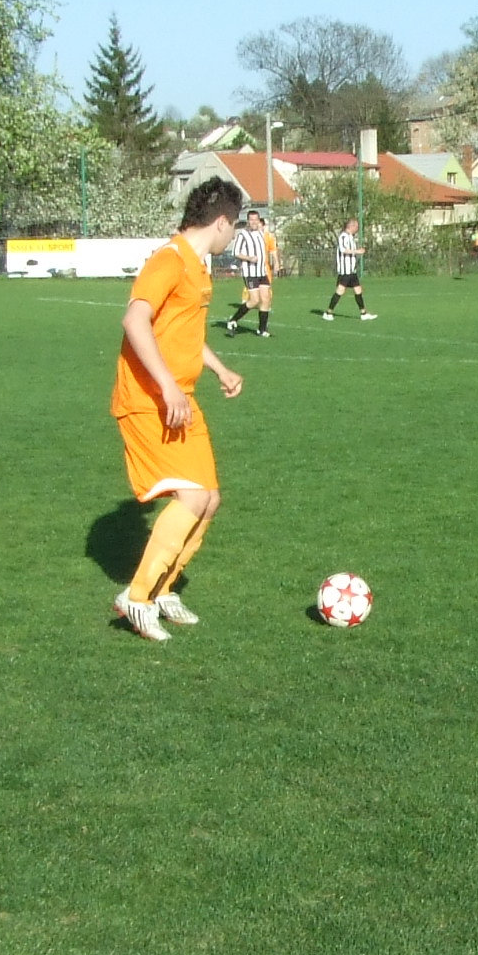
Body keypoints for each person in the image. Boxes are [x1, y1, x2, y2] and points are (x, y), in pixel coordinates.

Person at [112, 178, 246, 641]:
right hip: (149, 400)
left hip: (178, 397)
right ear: (222, 222)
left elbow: (183, 334)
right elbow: (135, 320)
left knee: (208, 498)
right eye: (235, 227)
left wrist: (219, 369)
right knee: (191, 497)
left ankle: (163, 590)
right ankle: (136, 598)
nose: (233, 237)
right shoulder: (168, 260)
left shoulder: (197, 268)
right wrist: (167, 385)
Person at [222, 207, 275, 337]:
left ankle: (262, 329)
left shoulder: (261, 234)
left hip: (262, 271)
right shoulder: (243, 235)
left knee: (266, 299)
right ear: (248, 221)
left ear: (259, 221)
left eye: (256, 219)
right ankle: (233, 320)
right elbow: (236, 252)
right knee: (254, 300)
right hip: (250, 273)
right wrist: (249, 258)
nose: (254, 222)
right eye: (251, 220)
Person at [321, 217, 374, 319]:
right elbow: (343, 249)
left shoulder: (350, 237)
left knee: (358, 290)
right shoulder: (343, 236)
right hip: (345, 270)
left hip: (352, 270)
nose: (357, 229)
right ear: (351, 226)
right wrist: (357, 251)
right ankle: (328, 312)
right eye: (356, 227)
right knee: (340, 290)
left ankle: (363, 313)